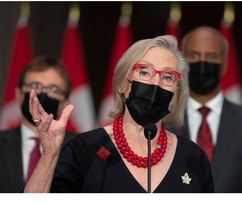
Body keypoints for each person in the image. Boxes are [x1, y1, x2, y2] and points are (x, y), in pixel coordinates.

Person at [24, 35, 214, 193]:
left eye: (167, 77)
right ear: (123, 85)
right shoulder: (84, 150)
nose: (155, 83)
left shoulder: (193, 158)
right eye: (145, 72)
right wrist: (49, 156)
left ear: (175, 95)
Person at [170, 26, 242, 192]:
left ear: (225, 64)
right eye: (194, 55)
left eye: (211, 56)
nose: (203, 62)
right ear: (182, 63)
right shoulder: (163, 121)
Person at [0, 56, 77, 193]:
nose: (42, 93)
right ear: (18, 95)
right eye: (34, 86)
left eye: (53, 89)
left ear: (65, 102)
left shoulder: (80, 149)